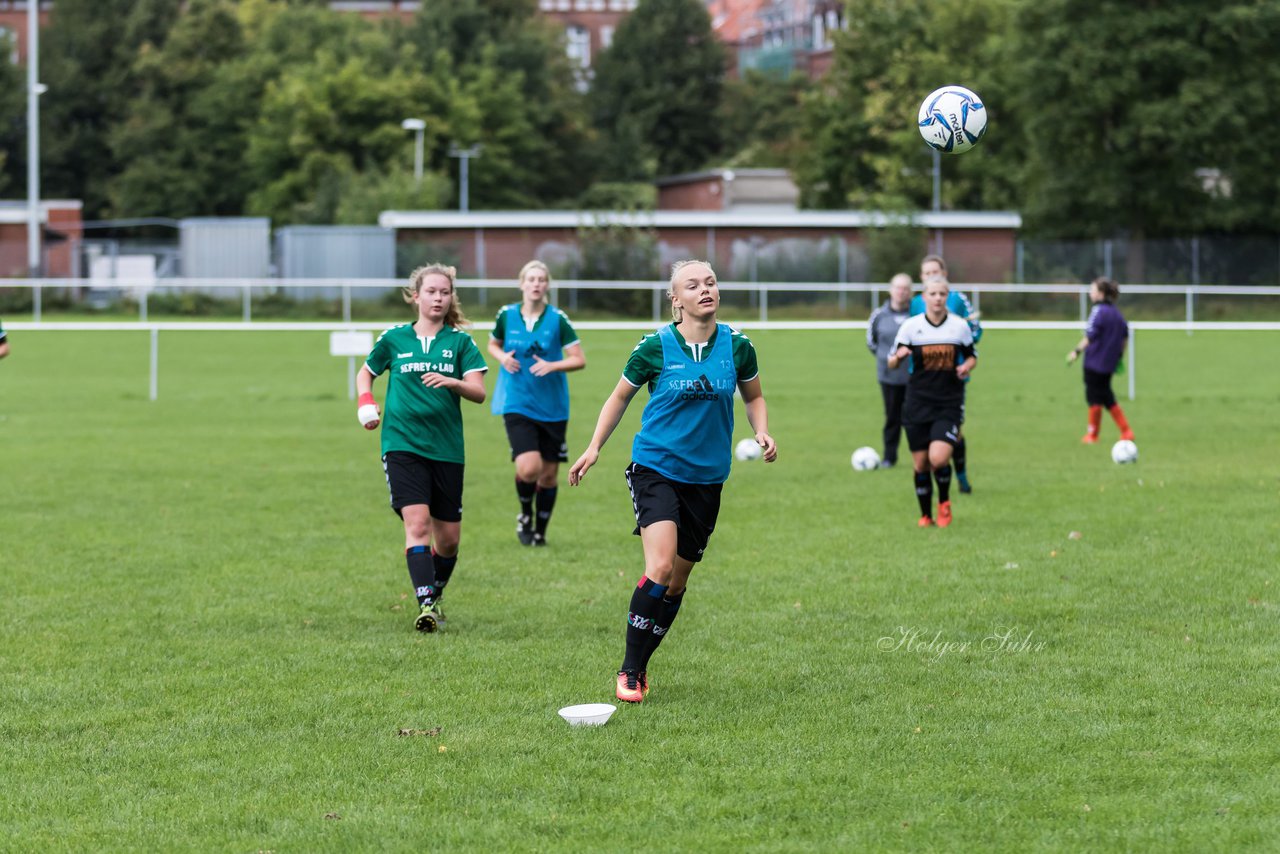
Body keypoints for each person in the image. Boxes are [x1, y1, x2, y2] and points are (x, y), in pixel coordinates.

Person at [568, 260, 777, 704]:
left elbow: (753, 395)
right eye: (693, 285)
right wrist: (593, 447)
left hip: (708, 478)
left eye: (711, 282)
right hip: (655, 467)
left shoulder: (739, 347)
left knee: (678, 583)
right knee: (659, 568)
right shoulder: (655, 347)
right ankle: (628, 670)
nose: (705, 290)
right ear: (675, 299)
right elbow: (619, 397)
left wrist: (761, 429)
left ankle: (641, 664)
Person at [356, 264, 488, 633]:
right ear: (416, 296)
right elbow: (365, 372)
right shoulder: (394, 339)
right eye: (431, 292)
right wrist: (366, 400)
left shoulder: (461, 343)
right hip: (402, 444)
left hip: (446, 449)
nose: (438, 298)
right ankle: (426, 604)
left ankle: (436, 591)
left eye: (444, 293)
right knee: (417, 524)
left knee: (448, 541)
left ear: (451, 298)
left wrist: (453, 382)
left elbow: (479, 392)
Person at [487, 260, 586, 547]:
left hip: (553, 406)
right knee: (529, 468)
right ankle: (524, 515)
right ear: (522, 284)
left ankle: (540, 531)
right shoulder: (506, 315)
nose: (536, 284)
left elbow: (579, 359)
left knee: (549, 475)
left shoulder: (558, 319)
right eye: (531, 279)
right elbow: (493, 344)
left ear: (547, 286)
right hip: (516, 401)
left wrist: (553, 366)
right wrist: (502, 357)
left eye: (541, 279)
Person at [889, 276, 977, 528]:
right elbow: (891, 361)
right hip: (917, 402)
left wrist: (965, 366)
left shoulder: (959, 326)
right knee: (921, 464)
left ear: (947, 297)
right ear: (924, 297)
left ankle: (944, 504)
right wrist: (899, 356)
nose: (938, 298)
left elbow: (973, 357)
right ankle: (925, 515)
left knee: (938, 458)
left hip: (949, 402)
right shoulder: (911, 326)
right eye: (933, 294)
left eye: (942, 294)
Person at [912, 254, 980, 493]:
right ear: (921, 278)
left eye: (935, 272)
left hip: (952, 376)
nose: (932, 276)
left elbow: (975, 330)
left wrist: (956, 338)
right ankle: (935, 478)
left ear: (945, 274)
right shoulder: (916, 302)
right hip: (922, 379)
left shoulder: (958, 299)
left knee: (954, 433)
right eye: (927, 273)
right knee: (926, 433)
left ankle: (960, 476)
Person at [1066, 276, 1134, 443]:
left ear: (1101, 293)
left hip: (1094, 363)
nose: (1090, 293)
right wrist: (1119, 357)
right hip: (1109, 364)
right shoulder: (1117, 313)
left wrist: (1076, 351)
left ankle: (1093, 434)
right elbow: (1125, 336)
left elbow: (1090, 336)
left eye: (1092, 290)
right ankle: (1125, 431)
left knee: (1095, 397)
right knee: (1106, 395)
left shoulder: (1098, 311)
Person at [866, 273, 913, 468]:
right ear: (890, 289)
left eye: (905, 288)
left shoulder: (917, 314)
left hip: (915, 376)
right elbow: (871, 342)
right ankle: (889, 457)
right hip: (889, 377)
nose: (901, 292)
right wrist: (886, 359)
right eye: (897, 287)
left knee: (914, 418)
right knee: (892, 418)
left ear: (911, 292)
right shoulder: (879, 315)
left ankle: (921, 456)